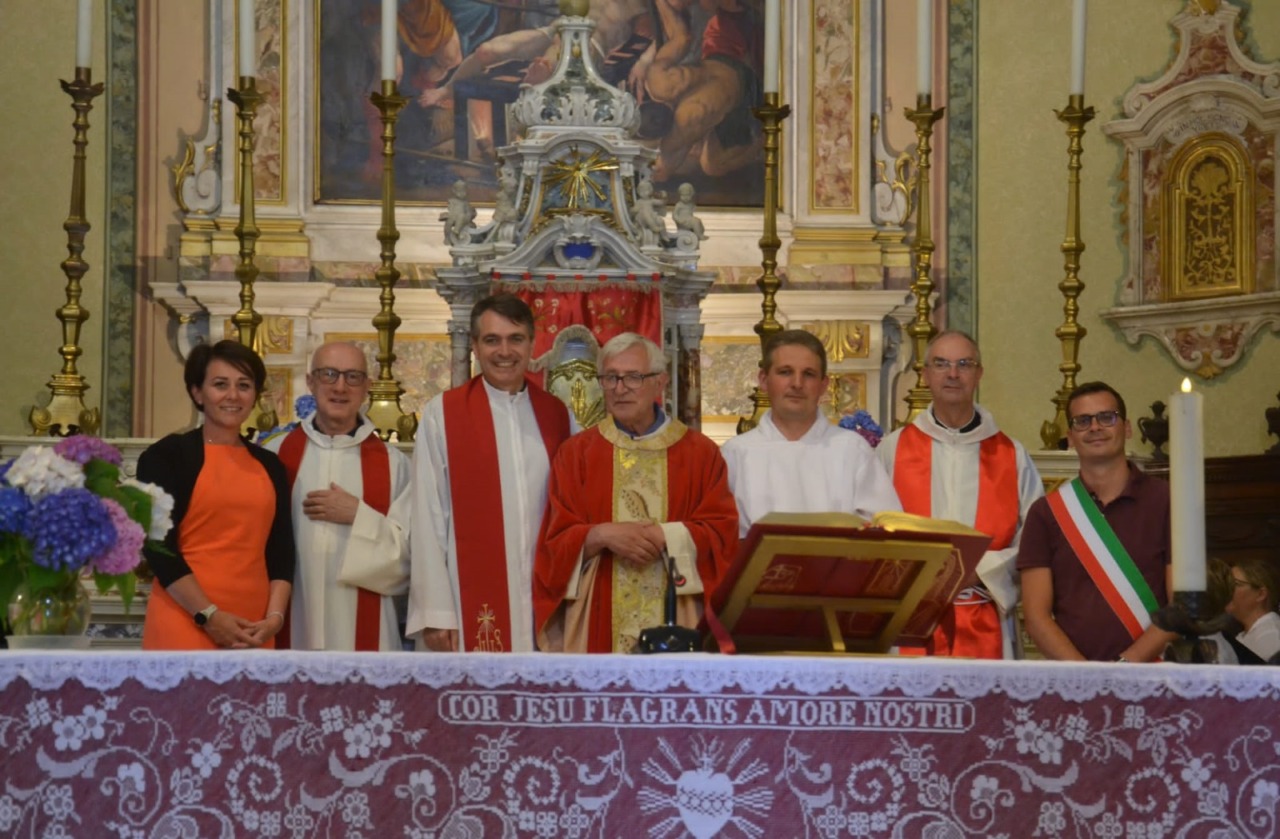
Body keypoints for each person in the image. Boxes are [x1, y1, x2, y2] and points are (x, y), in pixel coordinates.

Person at [534, 333, 739, 653]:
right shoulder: (577, 455)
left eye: (633, 377)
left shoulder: (700, 453)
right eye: (610, 378)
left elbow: (721, 535)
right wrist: (601, 535)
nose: (620, 388)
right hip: (598, 616)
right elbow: (554, 542)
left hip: (678, 618)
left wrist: (665, 537)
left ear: (659, 382)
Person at [407, 294, 572, 652]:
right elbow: (427, 518)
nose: (504, 351)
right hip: (466, 610)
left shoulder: (558, 416)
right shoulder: (443, 415)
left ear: (532, 344)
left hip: (543, 604)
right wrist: (435, 612)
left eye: (516, 339)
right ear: (476, 347)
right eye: (492, 340)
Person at [877, 331, 1043, 659]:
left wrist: (978, 569)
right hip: (909, 619)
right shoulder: (892, 449)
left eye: (964, 364)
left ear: (979, 373)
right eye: (941, 364)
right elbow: (872, 527)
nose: (953, 374)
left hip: (986, 613)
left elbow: (1035, 537)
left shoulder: (1011, 454)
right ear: (925, 374)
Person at [137, 340, 295, 650]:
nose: (233, 396)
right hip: (184, 619)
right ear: (198, 392)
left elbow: (281, 552)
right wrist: (208, 616)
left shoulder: (270, 465)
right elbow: (158, 548)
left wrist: (274, 619)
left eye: (244, 385)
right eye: (220, 385)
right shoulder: (166, 456)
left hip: (254, 629)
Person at [263, 342, 412, 651]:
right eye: (329, 374)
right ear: (311, 382)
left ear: (367, 387)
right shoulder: (275, 455)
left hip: (366, 634)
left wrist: (358, 515)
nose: (340, 387)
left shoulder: (395, 464)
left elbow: (411, 561)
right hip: (291, 619)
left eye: (353, 377)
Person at [1018, 381, 1178, 662]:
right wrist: (1088, 678)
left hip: (1155, 673)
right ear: (1070, 436)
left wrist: (1124, 666)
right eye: (1082, 421)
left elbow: (1182, 606)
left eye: (1107, 417)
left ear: (1127, 428)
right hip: (1075, 683)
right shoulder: (1046, 513)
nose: (1095, 428)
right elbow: (1036, 617)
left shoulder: (1168, 501)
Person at [722, 330, 900, 537]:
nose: (797, 383)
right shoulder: (735, 454)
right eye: (785, 372)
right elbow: (725, 538)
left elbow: (885, 529)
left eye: (808, 374)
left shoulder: (852, 449)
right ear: (763, 380)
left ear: (823, 385)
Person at [1225, 558, 1280, 662]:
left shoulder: (1271, 636)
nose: (1226, 590)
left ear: (1261, 594)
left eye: (1235, 584)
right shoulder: (1245, 634)